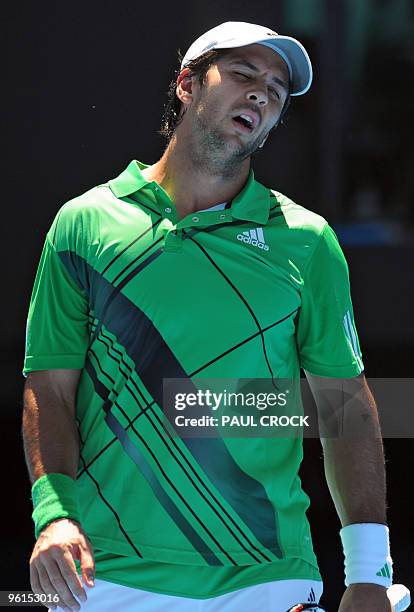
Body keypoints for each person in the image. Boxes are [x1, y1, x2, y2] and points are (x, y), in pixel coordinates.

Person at [22, 21, 394, 612]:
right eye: (244, 74)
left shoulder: (307, 241)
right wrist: (54, 516)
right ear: (186, 85)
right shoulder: (83, 224)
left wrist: (370, 572)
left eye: (276, 91)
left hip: (268, 578)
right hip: (102, 576)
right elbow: (50, 388)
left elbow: (343, 405)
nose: (261, 95)